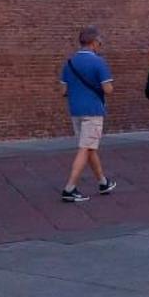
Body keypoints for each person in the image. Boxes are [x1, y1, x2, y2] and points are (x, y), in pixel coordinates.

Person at [58, 26, 116, 203]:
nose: (100, 46)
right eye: (100, 43)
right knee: (85, 148)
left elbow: (63, 90)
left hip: (75, 110)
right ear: (93, 43)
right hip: (93, 110)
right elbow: (108, 89)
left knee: (89, 146)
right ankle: (70, 188)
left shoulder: (69, 63)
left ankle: (102, 182)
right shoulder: (99, 62)